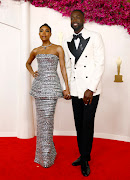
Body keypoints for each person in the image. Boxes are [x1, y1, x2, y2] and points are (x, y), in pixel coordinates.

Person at [62, 10, 104, 176]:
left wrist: (91, 88)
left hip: (90, 90)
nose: (75, 20)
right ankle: (83, 154)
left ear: (84, 19)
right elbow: (68, 66)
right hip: (76, 89)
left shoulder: (95, 36)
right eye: (72, 18)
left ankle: (85, 158)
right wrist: (68, 88)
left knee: (87, 124)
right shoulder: (66, 39)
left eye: (78, 17)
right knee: (79, 124)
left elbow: (100, 64)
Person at [26, 23, 70, 168]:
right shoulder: (36, 50)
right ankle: (43, 155)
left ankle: (47, 154)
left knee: (48, 118)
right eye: (41, 31)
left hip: (52, 88)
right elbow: (28, 63)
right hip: (39, 88)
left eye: (46, 31)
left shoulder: (58, 48)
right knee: (41, 121)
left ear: (50, 33)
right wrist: (33, 73)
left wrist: (66, 88)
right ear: (39, 34)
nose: (43, 33)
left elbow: (63, 68)